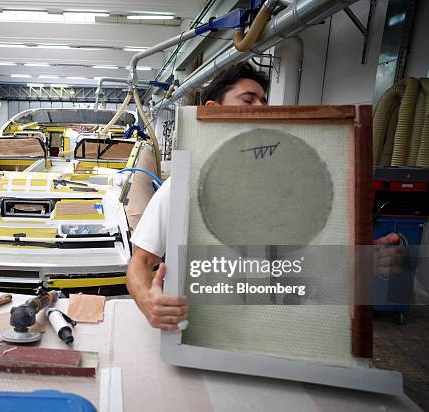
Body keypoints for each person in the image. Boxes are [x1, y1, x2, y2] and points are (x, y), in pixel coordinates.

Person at [126, 63, 404, 331]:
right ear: (213, 111)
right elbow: (140, 262)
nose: (262, 109)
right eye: (249, 100)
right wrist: (147, 300)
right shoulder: (181, 188)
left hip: (271, 337)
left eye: (264, 102)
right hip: (197, 337)